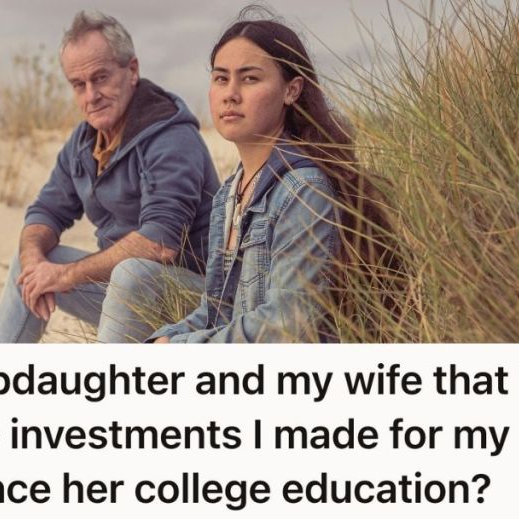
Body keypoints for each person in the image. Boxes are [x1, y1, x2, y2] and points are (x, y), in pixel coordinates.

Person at [0, 11, 218, 343]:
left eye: (101, 78)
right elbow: (46, 212)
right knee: (32, 269)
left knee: (131, 273)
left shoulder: (170, 136)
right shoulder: (84, 142)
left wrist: (67, 275)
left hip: (198, 304)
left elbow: (159, 243)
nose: (90, 95)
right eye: (79, 85)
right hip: (125, 293)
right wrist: (34, 257)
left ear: (132, 70)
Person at [151, 8, 370, 343]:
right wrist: (162, 341)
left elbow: (286, 325)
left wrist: (180, 348)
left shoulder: (303, 189)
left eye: (250, 78)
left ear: (291, 90)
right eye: (221, 78)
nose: (230, 93)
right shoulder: (229, 194)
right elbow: (216, 312)